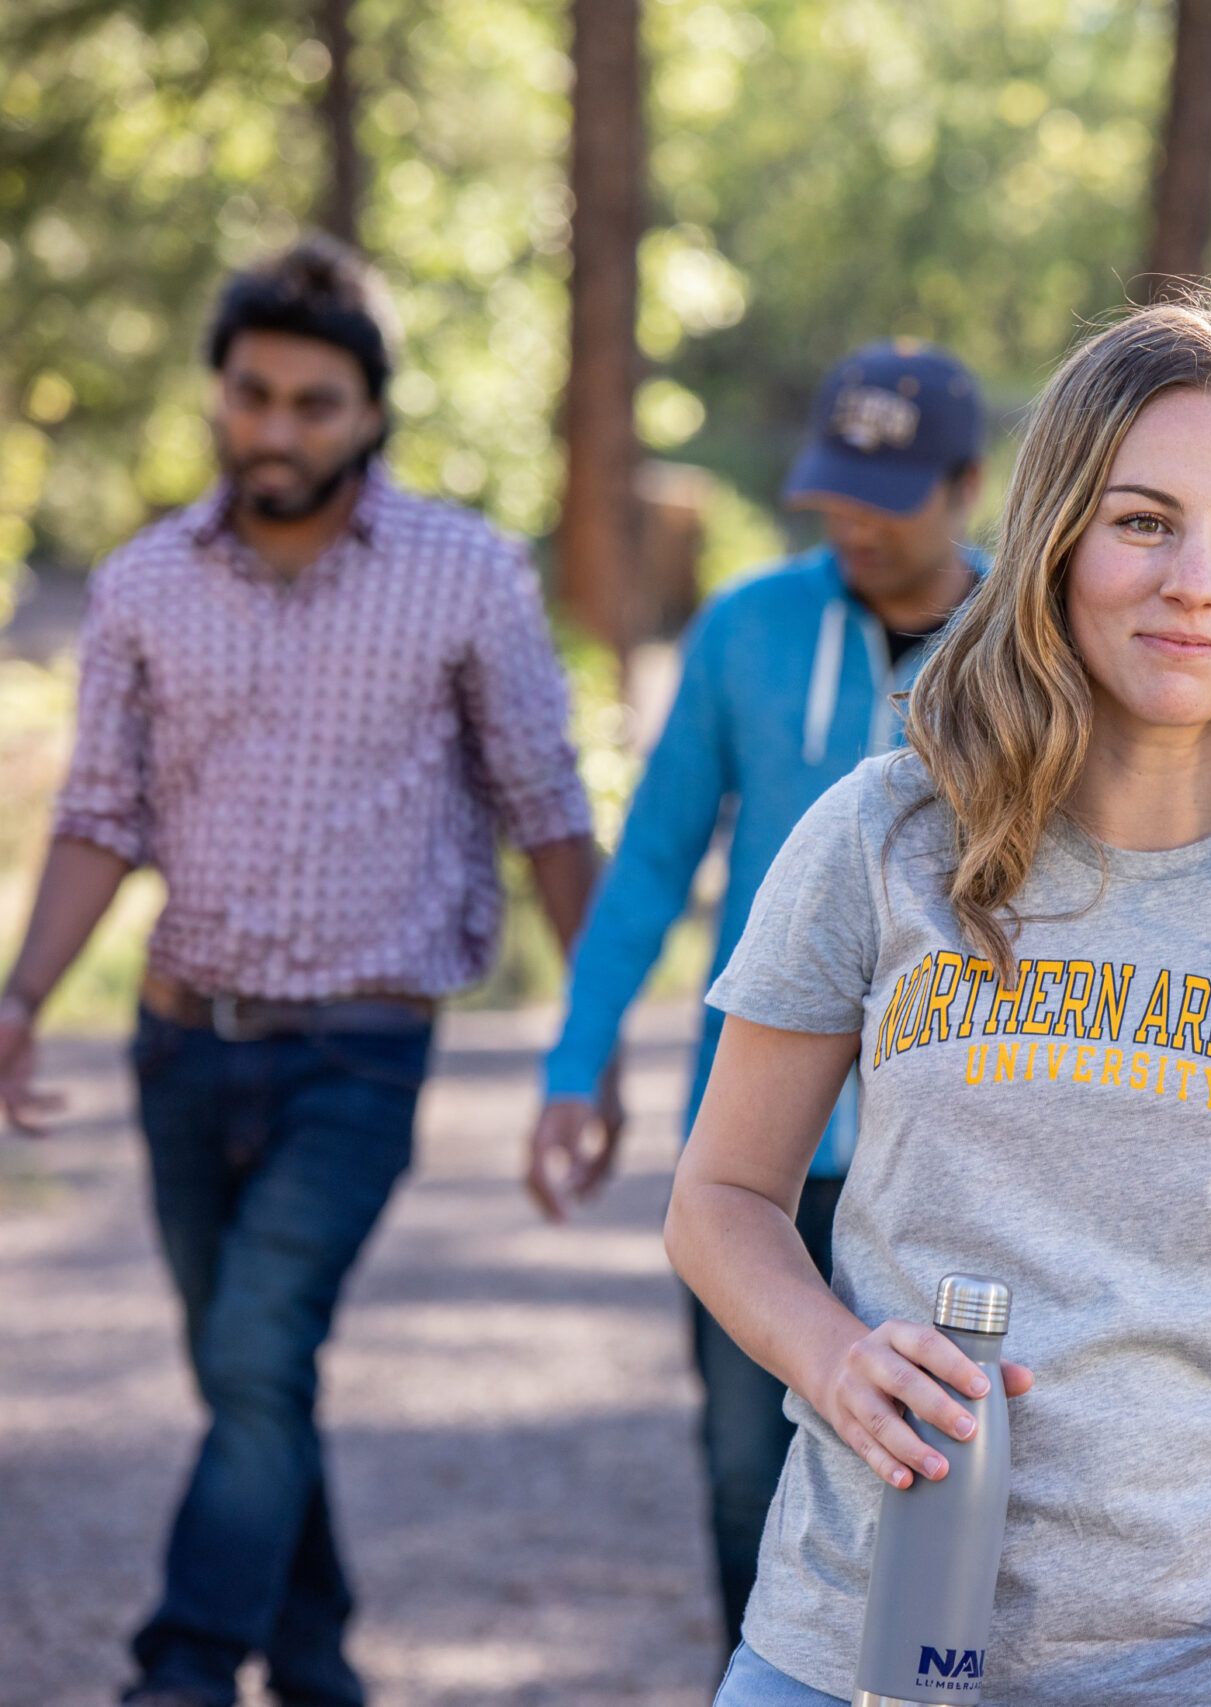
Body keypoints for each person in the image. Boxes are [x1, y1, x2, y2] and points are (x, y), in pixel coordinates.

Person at [662, 296, 1211, 1707]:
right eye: (1143, 521)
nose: (1198, 580)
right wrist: (833, 1358)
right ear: (1055, 533)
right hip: (856, 1648)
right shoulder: (886, 837)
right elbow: (722, 1200)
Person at [0, 236, 606, 1707]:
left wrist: (587, 1049)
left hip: (360, 1050)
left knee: (262, 1338)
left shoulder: (468, 576)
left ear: (373, 413)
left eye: (313, 403)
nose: (275, 429)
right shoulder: (144, 583)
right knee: (249, 1376)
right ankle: (320, 1660)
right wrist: (21, 1001)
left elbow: (547, 813)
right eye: (253, 395)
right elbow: (98, 819)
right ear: (219, 395)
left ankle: (185, 1668)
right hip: (177, 1042)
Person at [523, 338, 989, 1649]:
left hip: (958, 1135)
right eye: (833, 488)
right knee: (748, 1471)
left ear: (966, 483)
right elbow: (658, 857)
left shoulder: (1036, 640)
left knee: (945, 1465)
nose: (850, 521)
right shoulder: (745, 628)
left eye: (884, 496)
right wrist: (577, 1062)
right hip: (760, 1146)